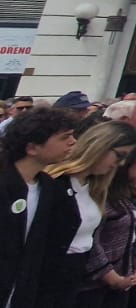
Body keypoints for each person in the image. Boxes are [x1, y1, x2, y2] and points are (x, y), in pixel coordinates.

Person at [43, 121, 136, 305]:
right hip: (50, 279)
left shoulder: (95, 188)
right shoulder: (56, 183)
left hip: (78, 279)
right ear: (100, 145)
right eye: (119, 156)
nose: (119, 164)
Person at [0, 106, 79, 308]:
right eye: (64, 137)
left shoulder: (51, 190)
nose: (73, 142)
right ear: (32, 147)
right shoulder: (5, 183)